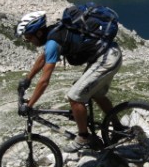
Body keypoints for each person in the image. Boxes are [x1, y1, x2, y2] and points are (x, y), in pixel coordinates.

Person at [15, 10, 123, 152]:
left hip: (107, 59)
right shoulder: (53, 33)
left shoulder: (53, 41)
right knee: (96, 94)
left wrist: (30, 105)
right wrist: (27, 79)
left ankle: (83, 137)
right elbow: (43, 58)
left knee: (74, 97)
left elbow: (44, 81)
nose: (28, 41)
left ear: (38, 33)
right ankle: (119, 129)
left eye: (29, 37)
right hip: (108, 54)